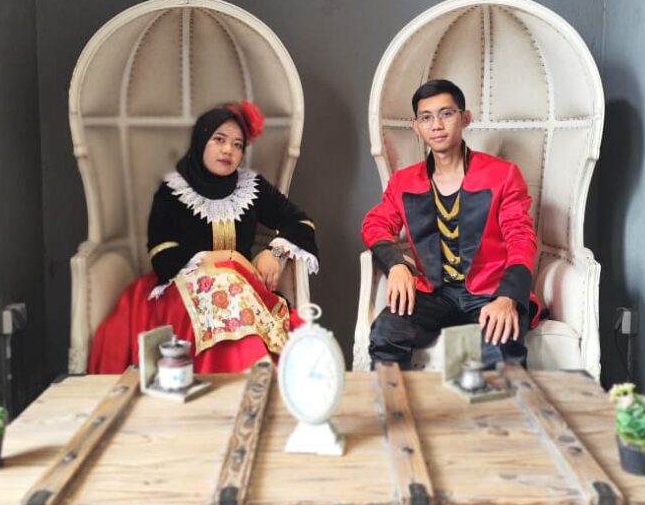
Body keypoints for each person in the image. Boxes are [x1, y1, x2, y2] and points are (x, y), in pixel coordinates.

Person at [89, 101, 318, 374]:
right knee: (224, 287)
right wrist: (222, 258)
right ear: (201, 140)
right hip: (182, 289)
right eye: (219, 140)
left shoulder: (251, 187)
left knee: (234, 290)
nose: (228, 150)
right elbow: (162, 254)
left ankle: (257, 381)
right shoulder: (174, 191)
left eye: (237, 145)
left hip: (241, 289)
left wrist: (274, 253)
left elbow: (301, 223)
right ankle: (234, 376)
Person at [362, 78, 538, 369]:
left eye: (446, 114)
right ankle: (392, 399)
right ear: (416, 127)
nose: (437, 125)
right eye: (426, 118)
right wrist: (396, 265)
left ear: (465, 118)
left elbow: (521, 239)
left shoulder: (502, 174)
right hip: (434, 293)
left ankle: (494, 400)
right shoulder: (404, 181)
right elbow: (375, 224)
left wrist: (508, 297)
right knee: (386, 332)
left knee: (499, 347)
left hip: (490, 290)